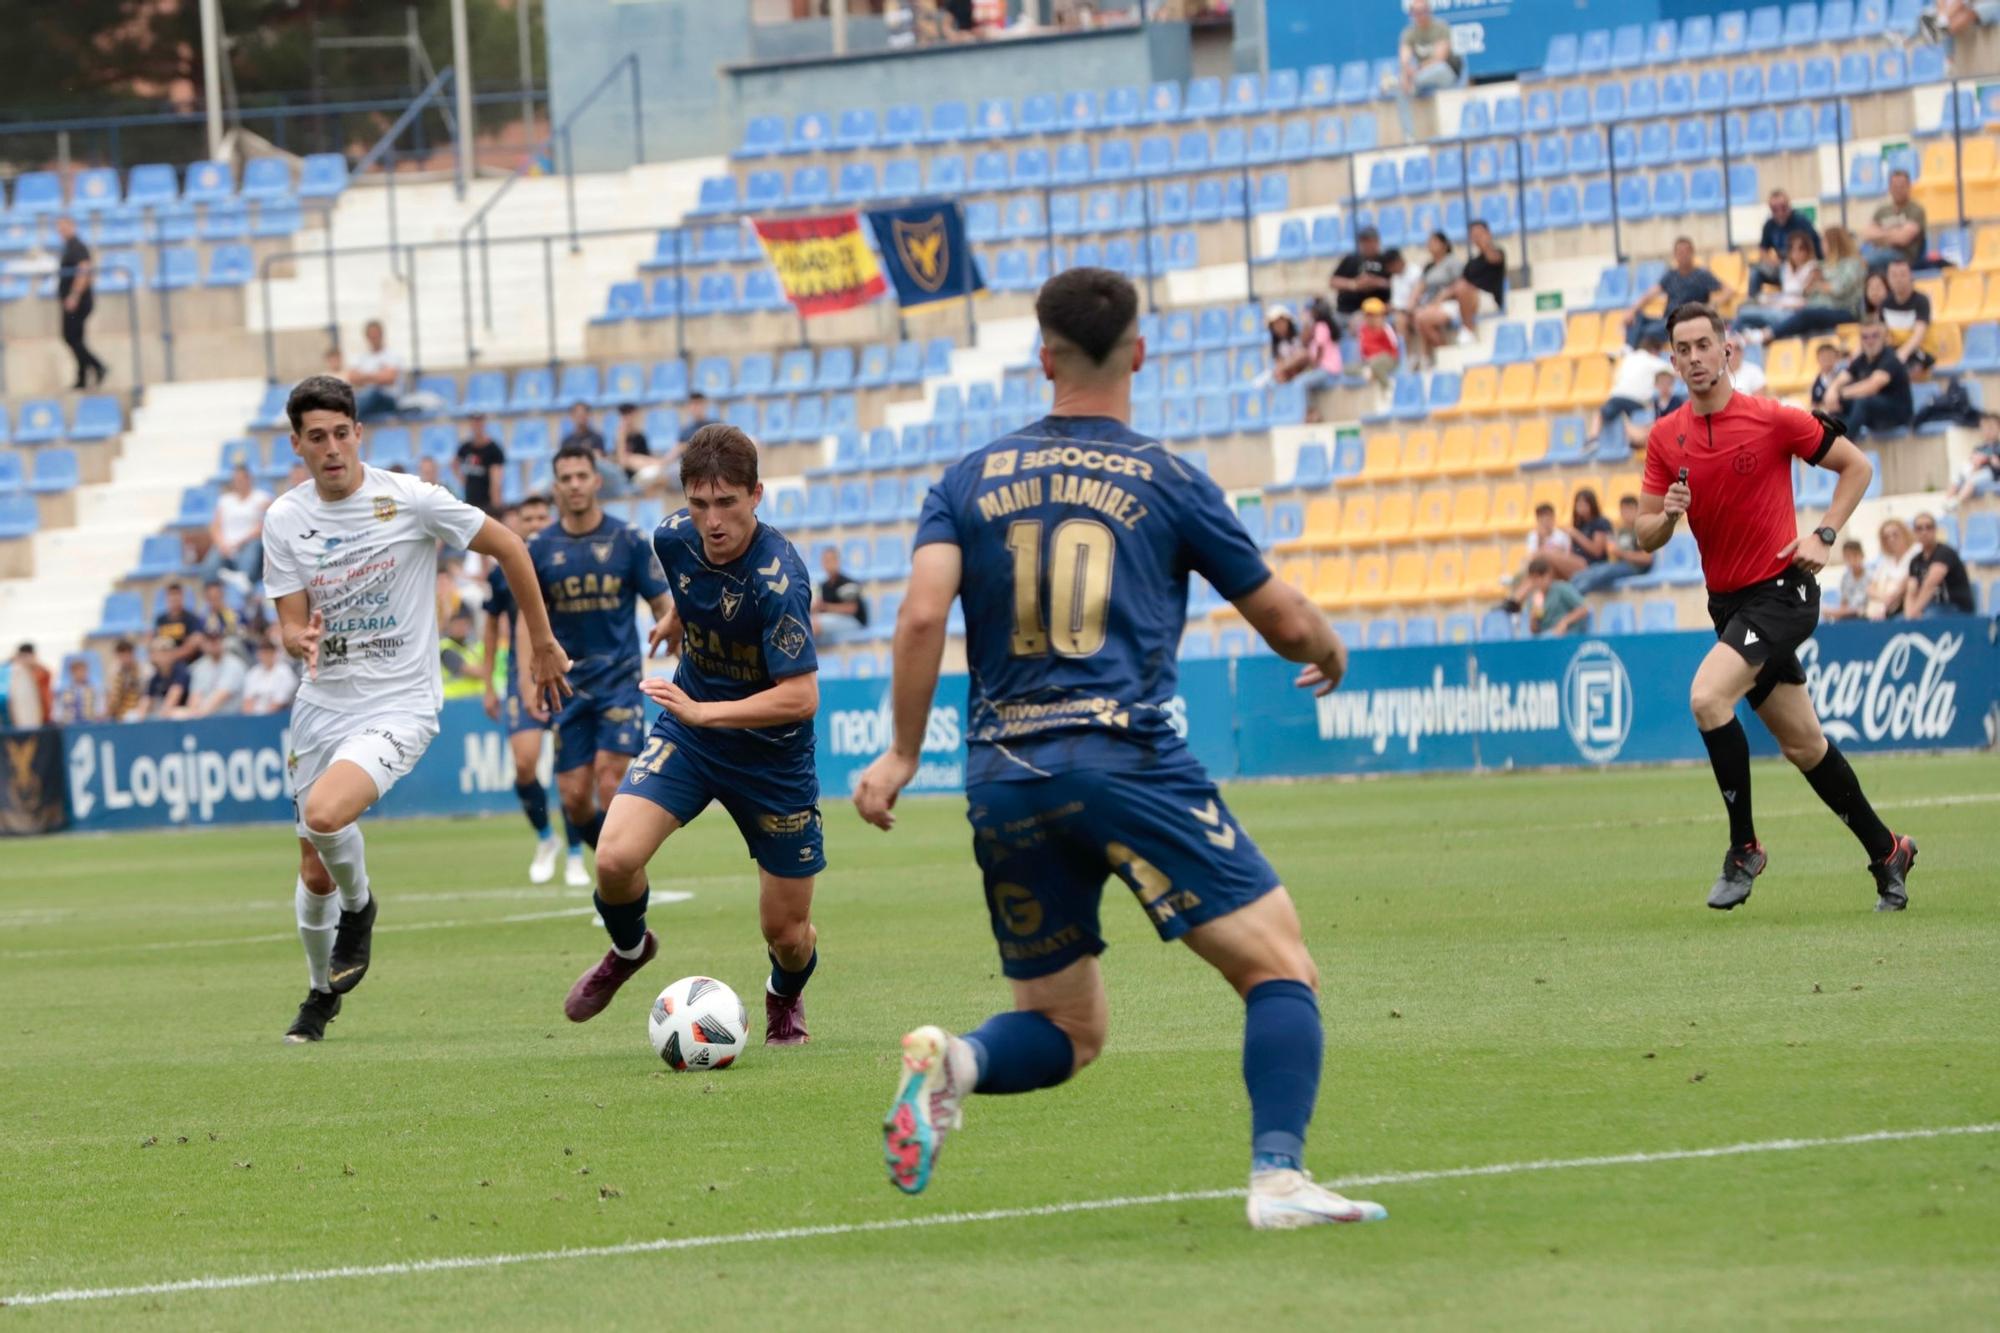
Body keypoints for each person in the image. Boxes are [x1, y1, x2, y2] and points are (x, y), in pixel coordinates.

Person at [851, 266, 1385, 1228]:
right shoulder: (1166, 475)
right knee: (1279, 967)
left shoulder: (965, 479)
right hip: (1124, 759)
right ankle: (1277, 1178)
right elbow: (1284, 618)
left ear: (1042, 355)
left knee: (1066, 1025)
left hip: (1002, 777)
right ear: (1138, 351)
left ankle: (952, 1065)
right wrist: (1329, 647)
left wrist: (898, 754)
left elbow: (922, 615)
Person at [262, 374, 571, 1043]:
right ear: (297, 445)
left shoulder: (411, 500)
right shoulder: (285, 520)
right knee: (312, 862)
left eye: (343, 433)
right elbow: (290, 622)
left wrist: (542, 641)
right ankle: (319, 996)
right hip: (321, 705)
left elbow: (511, 547)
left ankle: (362, 906)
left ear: (359, 433)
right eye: (317, 437)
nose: (333, 447)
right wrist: (296, 637)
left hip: (399, 702)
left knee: (323, 815)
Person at [1636, 301, 1915, 912]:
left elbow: (1857, 466)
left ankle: (1744, 850)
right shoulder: (1666, 437)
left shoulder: (1772, 419)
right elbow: (1643, 534)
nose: (1694, 358)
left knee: (1708, 698)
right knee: (1804, 746)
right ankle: (1888, 849)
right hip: (1730, 608)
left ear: (1726, 348)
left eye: (1704, 344)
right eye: (1682, 349)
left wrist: (1826, 534)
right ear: (1674, 359)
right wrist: (1669, 517)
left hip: (1783, 593)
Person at [564, 425, 827, 1052]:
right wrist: (676, 615)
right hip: (692, 733)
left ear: (757, 495)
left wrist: (709, 713)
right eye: (700, 503)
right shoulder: (672, 537)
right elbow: (699, 585)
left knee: (787, 933)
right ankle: (630, 948)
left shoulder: (779, 580)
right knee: (613, 857)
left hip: (772, 756)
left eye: (728, 503)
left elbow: (802, 696)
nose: (712, 521)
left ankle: (783, 994)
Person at [527, 445, 674, 889]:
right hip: (567, 687)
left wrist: (678, 640)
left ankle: (619, 884)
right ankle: (620, 870)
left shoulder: (628, 540)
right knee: (574, 799)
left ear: (596, 481)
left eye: (581, 476)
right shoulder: (539, 548)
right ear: (556, 488)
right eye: (565, 478)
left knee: (611, 780)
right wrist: (528, 675)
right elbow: (528, 619)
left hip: (619, 681)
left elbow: (663, 603)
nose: (574, 484)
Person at [481, 494, 574, 886]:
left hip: (569, 674)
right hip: (523, 677)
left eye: (541, 516)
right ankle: (545, 838)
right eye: (527, 517)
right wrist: (490, 683)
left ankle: (574, 854)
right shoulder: (505, 570)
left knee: (572, 772)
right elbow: (491, 625)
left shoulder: (565, 561)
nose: (535, 523)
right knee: (524, 763)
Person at [1760, 226, 1867, 343]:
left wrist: (1819, 283)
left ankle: (1768, 334)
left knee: (1806, 315)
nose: (1822, 245)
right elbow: (1806, 293)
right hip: (1821, 308)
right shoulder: (1825, 265)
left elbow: (1839, 289)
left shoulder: (1852, 264)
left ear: (1834, 243)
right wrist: (1811, 284)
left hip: (1845, 311)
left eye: (1824, 241)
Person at [1626, 237, 1727, 348]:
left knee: (1648, 332)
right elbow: (1650, 294)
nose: (1683, 255)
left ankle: (1632, 353)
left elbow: (1728, 289)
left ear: (1692, 253)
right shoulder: (1671, 275)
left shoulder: (1702, 275)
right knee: (1635, 319)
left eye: (1686, 252)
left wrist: (1713, 304)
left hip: (1682, 322)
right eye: (1679, 252)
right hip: (1666, 319)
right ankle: (1629, 350)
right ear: (1675, 255)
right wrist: (1632, 311)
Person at [1822, 319, 1913, 437]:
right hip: (1877, 412)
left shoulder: (1890, 358)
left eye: (1874, 336)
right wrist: (1832, 391)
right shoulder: (1862, 359)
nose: (1870, 341)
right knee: (1838, 403)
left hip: (1897, 412)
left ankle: (1847, 442)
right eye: (1865, 337)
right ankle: (1830, 441)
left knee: (1862, 401)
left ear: (1884, 337)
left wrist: (1840, 393)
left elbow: (1872, 386)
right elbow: (1842, 377)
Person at [1385, 0, 1460, 138]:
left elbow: (1440, 57)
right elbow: (1404, 58)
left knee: (1439, 68)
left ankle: (1401, 82)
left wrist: (1414, 72)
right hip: (1421, 79)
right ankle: (1409, 137)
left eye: (1422, 11)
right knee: (1402, 88)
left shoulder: (1440, 27)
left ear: (1429, 11)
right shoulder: (1409, 33)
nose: (1419, 16)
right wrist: (1405, 72)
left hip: (1446, 74)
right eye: (1416, 12)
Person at [53, 216, 107, 390]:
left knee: (71, 338)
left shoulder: (78, 247)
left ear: (72, 227)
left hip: (77, 302)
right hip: (72, 301)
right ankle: (82, 378)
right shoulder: (69, 247)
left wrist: (74, 295)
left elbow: (84, 270)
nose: (62, 231)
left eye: (64, 227)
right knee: (76, 339)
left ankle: (98, 366)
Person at [1731, 232, 1819, 333]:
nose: (1796, 254)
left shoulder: (1813, 269)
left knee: (1744, 314)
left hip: (1790, 314)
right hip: (1778, 308)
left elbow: (1807, 301)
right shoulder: (1788, 268)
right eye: (1793, 250)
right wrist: (1771, 300)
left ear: (1808, 251)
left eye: (1801, 249)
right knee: (1744, 311)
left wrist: (1775, 302)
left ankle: (1726, 345)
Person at [1570, 494, 1656, 594]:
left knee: (1600, 573)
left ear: (1638, 511)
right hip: (1619, 565)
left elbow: (1647, 559)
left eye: (1630, 510)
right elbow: (1613, 552)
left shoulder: (1642, 530)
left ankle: (1574, 597)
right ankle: (1569, 593)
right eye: (1623, 510)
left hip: (1634, 568)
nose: (1626, 514)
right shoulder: (1621, 531)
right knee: (1586, 572)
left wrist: (1621, 553)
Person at [204, 463, 272, 587]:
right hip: (226, 544)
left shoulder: (261, 497)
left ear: (249, 479)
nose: (239, 482)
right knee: (209, 567)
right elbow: (215, 526)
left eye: (241, 479)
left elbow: (265, 524)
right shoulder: (224, 500)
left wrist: (239, 542)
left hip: (248, 543)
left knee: (251, 553)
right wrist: (222, 544)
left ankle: (243, 585)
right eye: (236, 479)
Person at [1747, 190, 1822, 299]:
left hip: (1803, 266)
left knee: (1786, 270)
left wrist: (1794, 262)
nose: (1780, 212)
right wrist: (1771, 261)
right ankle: (1753, 304)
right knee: (1755, 271)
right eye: (1775, 209)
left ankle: (1787, 302)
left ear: (1789, 205)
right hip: (1783, 265)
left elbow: (1813, 248)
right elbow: (1763, 250)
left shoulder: (1801, 222)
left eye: (1783, 207)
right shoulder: (1769, 225)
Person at [1405, 230, 1463, 365]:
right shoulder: (1428, 267)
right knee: (1417, 317)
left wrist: (1442, 297)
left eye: (1434, 242)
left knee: (1421, 317)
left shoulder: (1452, 262)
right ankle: (1440, 353)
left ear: (1444, 244)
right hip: (1430, 305)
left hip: (1450, 304)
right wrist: (1411, 303)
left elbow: (1459, 284)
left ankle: (1433, 355)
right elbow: (1420, 287)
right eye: (1429, 242)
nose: (1430, 245)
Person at [1902, 512, 1977, 617]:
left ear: (1935, 530)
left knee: (1927, 618)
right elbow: (1911, 591)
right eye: (1919, 528)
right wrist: (1908, 614)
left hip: (1955, 608)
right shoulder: (1915, 560)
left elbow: (1930, 584)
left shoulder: (1945, 553)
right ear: (1914, 532)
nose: (1924, 532)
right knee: (1898, 621)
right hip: (1929, 607)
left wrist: (1914, 613)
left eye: (1929, 527)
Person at [1600, 337, 1673, 434]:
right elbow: (1672, 369)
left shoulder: (1628, 358)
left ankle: (1592, 439)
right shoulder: (1652, 360)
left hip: (1616, 396)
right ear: (1654, 351)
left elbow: (1617, 378)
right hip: (1637, 401)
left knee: (1600, 413)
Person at [338, 321, 405, 421]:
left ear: (382, 335)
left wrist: (364, 377)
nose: (374, 338)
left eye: (376, 335)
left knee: (373, 392)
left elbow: (389, 378)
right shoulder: (362, 357)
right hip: (367, 399)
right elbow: (352, 378)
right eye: (371, 335)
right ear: (367, 337)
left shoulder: (393, 355)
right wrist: (378, 375)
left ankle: (347, 419)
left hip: (389, 399)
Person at [1878, 258, 1935, 375]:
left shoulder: (1921, 301)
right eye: (1894, 275)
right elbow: (1881, 333)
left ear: (1910, 276)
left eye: (1902, 275)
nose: (1898, 280)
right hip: (1894, 350)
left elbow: (1919, 335)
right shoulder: (1884, 304)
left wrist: (1901, 355)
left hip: (1919, 351)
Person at [1861, 171, 1926, 271]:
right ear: (1890, 188)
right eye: (1895, 186)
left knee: (1864, 262)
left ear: (1909, 187)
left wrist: (1880, 235)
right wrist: (1895, 232)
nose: (1898, 190)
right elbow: (1867, 234)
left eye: (1902, 186)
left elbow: (1903, 239)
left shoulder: (1916, 210)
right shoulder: (1882, 210)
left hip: (1903, 257)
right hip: (1879, 253)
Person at [1328, 226, 1392, 329]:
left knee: (1359, 322)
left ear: (1377, 241)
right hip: (1345, 310)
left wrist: (1374, 282)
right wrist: (1354, 284)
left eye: (1370, 241)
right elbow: (1333, 281)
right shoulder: (1351, 259)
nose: (1367, 245)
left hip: (1371, 311)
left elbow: (1395, 282)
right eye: (1363, 242)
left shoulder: (1386, 260)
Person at [173, 632, 247, 718]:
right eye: (209, 641)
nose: (213, 644)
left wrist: (195, 714)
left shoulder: (234, 665)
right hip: (204, 718)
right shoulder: (200, 666)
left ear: (222, 642)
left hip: (231, 720)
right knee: (175, 714)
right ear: (204, 644)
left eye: (216, 640)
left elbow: (220, 697)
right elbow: (195, 697)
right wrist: (191, 713)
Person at [812, 545, 869, 645]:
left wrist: (825, 607)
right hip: (834, 621)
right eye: (826, 560)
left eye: (832, 559)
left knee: (815, 624)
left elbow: (851, 609)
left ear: (838, 561)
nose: (829, 563)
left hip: (854, 621)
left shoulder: (847, 583)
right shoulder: (824, 586)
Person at [1519, 557, 1589, 636]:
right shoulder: (1533, 598)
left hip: (1568, 635)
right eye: (1535, 578)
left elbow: (1583, 610)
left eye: (1541, 577)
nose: (1539, 581)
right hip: (1547, 639)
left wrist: (1564, 622)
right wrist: (1533, 619)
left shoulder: (1561, 588)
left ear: (1549, 575)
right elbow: (1535, 630)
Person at [454, 413, 507, 516]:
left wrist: (496, 505)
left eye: (479, 422)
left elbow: (496, 480)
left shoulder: (493, 449)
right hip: (470, 500)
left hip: (486, 502)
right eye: (474, 422)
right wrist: (463, 480)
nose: (476, 425)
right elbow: (454, 463)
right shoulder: (465, 447)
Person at [1622, 369, 1688, 449]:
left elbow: (1678, 422)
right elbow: (1650, 419)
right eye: (1662, 383)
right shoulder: (1654, 402)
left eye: (1668, 383)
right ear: (1656, 385)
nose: (1665, 387)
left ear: (1672, 385)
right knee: (1638, 430)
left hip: (1670, 432)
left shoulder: (1676, 401)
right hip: (1657, 430)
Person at [1944, 412, 2000, 506]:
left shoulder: (1998, 447)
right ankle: (1947, 500)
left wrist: (1992, 460)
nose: (1987, 431)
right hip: (1977, 471)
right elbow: (1972, 460)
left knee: (1972, 481)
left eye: (1991, 428)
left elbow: (1997, 466)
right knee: (1957, 477)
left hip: (1990, 473)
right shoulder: (1979, 447)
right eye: (1984, 428)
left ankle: (1957, 502)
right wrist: (1975, 463)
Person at [1866, 518, 1916, 619]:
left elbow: (1908, 581)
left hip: (1905, 606)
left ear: (1905, 534)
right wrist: (1883, 597)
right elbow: (1870, 588)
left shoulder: (1915, 553)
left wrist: (1891, 598)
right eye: (1886, 537)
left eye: (1895, 535)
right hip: (1884, 607)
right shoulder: (1885, 561)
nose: (1891, 539)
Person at [133, 636, 191, 719]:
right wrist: (139, 716)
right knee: (132, 716)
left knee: (174, 714)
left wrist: (162, 714)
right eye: (154, 652)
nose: (158, 656)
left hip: (185, 713)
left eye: (164, 651)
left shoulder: (180, 670)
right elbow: (145, 702)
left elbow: (172, 700)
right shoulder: (156, 676)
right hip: (167, 714)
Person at [241, 638, 298, 715]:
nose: (265, 656)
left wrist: (263, 719)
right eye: (262, 653)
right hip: (254, 717)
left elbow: (279, 702)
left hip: (277, 717)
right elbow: (247, 702)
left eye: (268, 653)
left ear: (275, 653)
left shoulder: (285, 672)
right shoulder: (253, 673)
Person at [1355, 297, 1400, 388]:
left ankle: (1388, 386)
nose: (1370, 318)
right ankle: (1369, 371)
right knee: (1348, 369)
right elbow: (1362, 349)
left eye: (1373, 315)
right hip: (1369, 361)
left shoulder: (1385, 328)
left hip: (1388, 358)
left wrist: (1375, 358)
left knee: (1375, 364)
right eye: (1368, 315)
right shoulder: (1363, 330)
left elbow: (1394, 348)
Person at [151, 582, 201, 664]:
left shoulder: (192, 619)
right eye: (171, 594)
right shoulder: (160, 620)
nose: (174, 598)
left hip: (187, 665)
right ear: (167, 597)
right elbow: (154, 644)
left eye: (177, 594)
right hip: (164, 665)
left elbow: (190, 648)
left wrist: (168, 656)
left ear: (182, 596)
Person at [1823, 540, 1871, 621]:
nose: (1852, 560)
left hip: (1866, 615)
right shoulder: (1845, 577)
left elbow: (1867, 606)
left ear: (1862, 555)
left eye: (1855, 555)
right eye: (1848, 557)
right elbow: (1844, 602)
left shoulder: (1871, 576)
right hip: (1849, 615)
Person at [8, 643, 54, 727]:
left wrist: (32, 664)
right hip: (20, 720)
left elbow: (47, 675)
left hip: (43, 717)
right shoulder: (15, 672)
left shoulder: (41, 671)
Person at [50, 654, 100, 725]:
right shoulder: (64, 691)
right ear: (72, 673)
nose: (81, 674)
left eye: (83, 671)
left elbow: (99, 708)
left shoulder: (94, 690)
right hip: (70, 726)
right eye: (78, 671)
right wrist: (60, 720)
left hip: (90, 725)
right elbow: (58, 710)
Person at [105, 639, 144, 721]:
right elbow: (111, 697)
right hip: (118, 714)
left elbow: (145, 696)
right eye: (122, 656)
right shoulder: (113, 672)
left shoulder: (143, 670)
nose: (125, 659)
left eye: (128, 655)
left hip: (138, 711)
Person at [1808, 342, 1845, 413]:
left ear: (1836, 357)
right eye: (1823, 357)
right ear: (1818, 359)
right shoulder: (1816, 382)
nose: (1827, 360)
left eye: (1829, 356)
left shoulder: (1842, 376)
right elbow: (1814, 404)